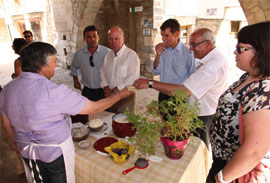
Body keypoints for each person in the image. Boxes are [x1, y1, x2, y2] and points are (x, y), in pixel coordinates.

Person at [0, 42, 132, 183]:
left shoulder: (8, 89)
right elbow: (95, 108)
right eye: (54, 61)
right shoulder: (54, 91)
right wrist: (119, 96)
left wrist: (19, 142)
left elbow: (6, 124)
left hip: (27, 151)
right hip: (56, 154)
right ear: (41, 65)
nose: (57, 65)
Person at [133, 28, 229, 149]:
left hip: (202, 115)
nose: (191, 48)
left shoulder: (213, 66)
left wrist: (150, 83)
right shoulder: (207, 59)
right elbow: (156, 70)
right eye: (190, 44)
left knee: (198, 149)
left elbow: (183, 91)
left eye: (194, 44)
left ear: (208, 44)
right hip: (190, 108)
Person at [207, 22, 270, 183]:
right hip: (222, 160)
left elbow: (255, 149)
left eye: (241, 48)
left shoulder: (264, 89)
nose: (235, 52)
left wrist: (222, 178)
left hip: (235, 170)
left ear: (261, 51)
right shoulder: (249, 76)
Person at [152, 18, 195, 102]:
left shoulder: (188, 52)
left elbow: (192, 76)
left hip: (179, 96)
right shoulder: (162, 50)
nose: (163, 39)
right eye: (162, 35)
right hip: (163, 94)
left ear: (176, 34)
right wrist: (157, 55)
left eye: (166, 35)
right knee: (162, 115)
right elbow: (155, 72)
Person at [100, 26, 140, 113]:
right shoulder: (108, 55)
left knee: (125, 123)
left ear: (123, 39)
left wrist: (116, 90)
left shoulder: (131, 55)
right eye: (110, 39)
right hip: (110, 95)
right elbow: (102, 71)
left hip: (126, 97)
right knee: (111, 120)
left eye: (116, 38)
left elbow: (133, 78)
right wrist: (106, 87)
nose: (113, 42)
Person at [70, 25, 110, 101]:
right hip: (87, 91)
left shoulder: (107, 53)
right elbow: (74, 68)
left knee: (105, 112)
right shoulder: (79, 54)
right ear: (84, 39)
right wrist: (76, 81)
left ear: (98, 37)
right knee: (87, 112)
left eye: (94, 36)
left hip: (104, 90)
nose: (92, 39)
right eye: (88, 37)